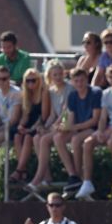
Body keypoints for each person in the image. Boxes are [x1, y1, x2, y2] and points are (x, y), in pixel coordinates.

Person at [75, 65, 112, 199]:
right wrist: (101, 131)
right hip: (110, 128)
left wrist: (108, 132)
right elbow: (103, 117)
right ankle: (87, 182)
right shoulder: (105, 94)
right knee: (87, 143)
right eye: (110, 77)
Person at [54, 68, 102, 197]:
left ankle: (80, 178)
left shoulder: (96, 93)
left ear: (87, 80)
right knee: (58, 138)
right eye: (76, 81)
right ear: (73, 82)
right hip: (79, 128)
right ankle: (73, 174)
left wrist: (72, 127)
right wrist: (64, 126)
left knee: (75, 140)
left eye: (82, 80)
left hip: (94, 128)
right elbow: (70, 117)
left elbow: (94, 120)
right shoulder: (73, 96)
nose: (80, 84)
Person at [26, 60, 72, 191]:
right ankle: (46, 177)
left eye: (60, 74)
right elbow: (52, 114)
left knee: (45, 139)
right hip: (57, 123)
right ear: (50, 76)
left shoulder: (69, 88)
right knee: (37, 137)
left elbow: (66, 112)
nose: (58, 77)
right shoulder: (51, 91)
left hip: (68, 123)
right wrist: (44, 127)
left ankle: (38, 178)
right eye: (55, 75)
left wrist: (52, 128)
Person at [9, 68, 51, 183]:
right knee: (17, 136)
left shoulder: (44, 92)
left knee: (28, 138)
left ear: (39, 80)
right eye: (27, 81)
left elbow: (44, 115)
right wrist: (21, 126)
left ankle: (19, 170)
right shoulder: (25, 94)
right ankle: (23, 169)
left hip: (39, 123)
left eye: (33, 80)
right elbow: (25, 115)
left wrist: (30, 129)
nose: (30, 83)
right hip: (29, 123)